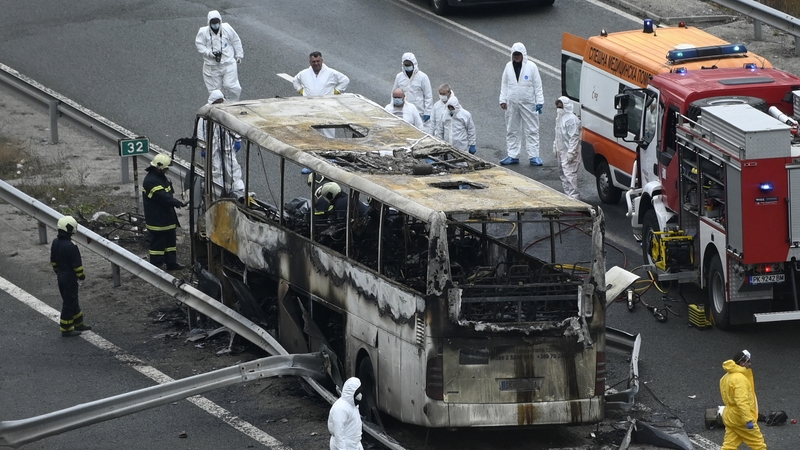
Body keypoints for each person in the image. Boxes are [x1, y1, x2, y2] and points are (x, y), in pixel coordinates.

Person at [499, 42, 544, 166]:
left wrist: (539, 101)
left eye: (519, 54)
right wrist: (503, 100)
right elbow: (505, 84)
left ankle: (534, 156)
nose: (517, 56)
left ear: (523, 54)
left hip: (528, 103)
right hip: (512, 104)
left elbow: (537, 85)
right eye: (515, 54)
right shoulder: (508, 66)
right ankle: (513, 155)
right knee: (512, 129)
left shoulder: (531, 67)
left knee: (532, 130)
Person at [198, 90, 245, 199]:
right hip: (212, 144)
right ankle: (218, 190)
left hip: (227, 142)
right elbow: (201, 131)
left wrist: (237, 139)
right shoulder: (205, 112)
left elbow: (233, 125)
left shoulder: (226, 109)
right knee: (216, 166)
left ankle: (239, 189)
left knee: (233, 164)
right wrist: (203, 146)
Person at [142, 154, 187, 271]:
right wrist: (177, 202)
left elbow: (168, 192)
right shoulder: (150, 181)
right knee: (158, 245)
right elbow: (163, 197)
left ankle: (171, 263)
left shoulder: (160, 177)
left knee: (170, 244)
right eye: (166, 168)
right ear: (159, 167)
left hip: (167, 218)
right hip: (158, 220)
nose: (167, 171)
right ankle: (156, 266)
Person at [51, 216, 91, 337]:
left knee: (71, 300)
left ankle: (78, 322)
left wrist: (58, 272)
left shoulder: (55, 242)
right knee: (69, 302)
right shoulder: (71, 246)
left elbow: (53, 261)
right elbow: (77, 265)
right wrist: (81, 276)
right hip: (70, 278)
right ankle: (66, 328)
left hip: (61, 276)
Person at [719, 350, 766, 450]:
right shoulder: (740, 379)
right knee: (758, 444)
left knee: (729, 445)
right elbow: (742, 401)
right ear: (742, 363)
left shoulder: (725, 377)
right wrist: (748, 420)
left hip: (730, 415)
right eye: (748, 361)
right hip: (740, 417)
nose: (750, 364)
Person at [195, 10, 244, 102]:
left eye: (217, 22)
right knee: (216, 92)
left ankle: (232, 104)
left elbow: (235, 40)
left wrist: (239, 55)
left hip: (228, 63)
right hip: (212, 67)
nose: (215, 25)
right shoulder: (203, 32)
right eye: (213, 23)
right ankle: (219, 109)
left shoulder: (227, 28)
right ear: (209, 22)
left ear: (220, 21)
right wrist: (209, 53)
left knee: (231, 86)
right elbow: (199, 45)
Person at [392, 52, 433, 132]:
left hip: (419, 111)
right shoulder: (399, 77)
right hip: (405, 111)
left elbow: (428, 96)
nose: (408, 67)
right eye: (406, 65)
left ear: (414, 63)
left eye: (409, 65)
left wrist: (427, 112)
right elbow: (394, 93)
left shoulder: (422, 77)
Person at [553, 96, 582, 200]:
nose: (558, 107)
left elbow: (574, 137)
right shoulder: (560, 117)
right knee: (563, 174)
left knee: (570, 175)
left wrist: (571, 152)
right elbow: (558, 133)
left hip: (569, 152)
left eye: (560, 105)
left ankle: (574, 198)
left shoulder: (571, 120)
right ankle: (568, 197)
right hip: (562, 151)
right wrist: (555, 146)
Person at [328, 377, 364, 450]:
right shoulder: (340, 409)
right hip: (345, 446)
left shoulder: (353, 405)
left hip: (354, 444)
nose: (360, 395)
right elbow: (339, 435)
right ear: (352, 393)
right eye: (358, 392)